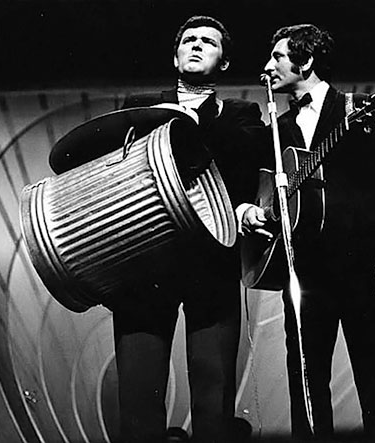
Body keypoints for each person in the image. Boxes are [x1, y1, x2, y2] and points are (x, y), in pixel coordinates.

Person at [241, 24, 375, 441]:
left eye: (278, 57)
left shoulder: (358, 109)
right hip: (303, 274)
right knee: (306, 382)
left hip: (361, 270)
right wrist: (250, 210)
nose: (268, 66)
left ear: (306, 61)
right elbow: (258, 188)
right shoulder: (277, 128)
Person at [112, 16, 264, 443]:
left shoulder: (241, 114)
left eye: (208, 42)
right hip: (145, 267)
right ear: (175, 56)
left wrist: (191, 119)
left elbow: (245, 160)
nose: (196, 46)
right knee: (138, 401)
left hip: (212, 267)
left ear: (224, 63)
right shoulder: (139, 106)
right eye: (189, 40)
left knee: (215, 403)